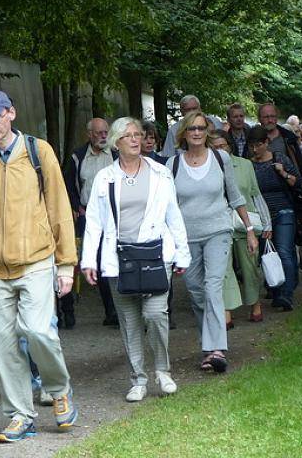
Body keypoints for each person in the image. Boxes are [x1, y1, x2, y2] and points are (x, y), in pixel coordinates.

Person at [0, 88, 79, 443]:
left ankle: (58, 390)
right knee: (4, 345)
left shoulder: (38, 152)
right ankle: (20, 415)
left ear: (11, 113)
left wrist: (66, 264)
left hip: (37, 261)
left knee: (38, 331)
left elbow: (59, 208)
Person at [81, 118, 190, 402]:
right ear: (116, 142)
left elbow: (173, 214)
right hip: (120, 258)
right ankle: (138, 379)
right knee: (129, 321)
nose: (134, 139)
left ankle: (162, 370)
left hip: (155, 254)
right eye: (127, 135)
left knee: (155, 314)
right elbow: (94, 221)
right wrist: (89, 260)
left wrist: (182, 252)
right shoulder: (105, 177)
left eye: (137, 135)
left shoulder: (160, 173)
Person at [167, 111, 258, 373]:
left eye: (201, 128)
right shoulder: (172, 164)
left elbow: (235, 195)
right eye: (192, 128)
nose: (197, 133)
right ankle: (208, 348)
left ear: (207, 131)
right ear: (184, 133)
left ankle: (217, 349)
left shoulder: (220, 158)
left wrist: (249, 229)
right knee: (196, 291)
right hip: (187, 237)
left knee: (213, 286)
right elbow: (167, 205)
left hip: (218, 231)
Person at [209, 130, 272, 324]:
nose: (220, 150)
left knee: (249, 267)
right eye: (215, 147)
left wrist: (267, 222)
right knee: (224, 269)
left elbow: (255, 193)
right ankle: (227, 310)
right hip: (219, 225)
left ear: (230, 145)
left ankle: (254, 303)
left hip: (245, 224)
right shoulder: (207, 167)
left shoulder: (245, 165)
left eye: (223, 146)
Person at [63, 117, 117, 327]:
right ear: (89, 134)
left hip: (116, 214)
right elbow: (68, 184)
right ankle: (111, 311)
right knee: (100, 261)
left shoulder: (116, 153)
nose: (103, 136)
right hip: (89, 216)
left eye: (106, 132)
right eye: (99, 133)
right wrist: (77, 207)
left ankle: (125, 309)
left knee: (119, 259)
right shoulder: (78, 156)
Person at [247, 125, 301, 311]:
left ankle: (287, 294)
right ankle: (276, 290)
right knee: (268, 254)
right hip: (261, 216)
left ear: (266, 143)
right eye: (252, 146)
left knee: (284, 251)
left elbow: (297, 181)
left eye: (259, 145)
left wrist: (283, 173)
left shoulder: (279, 158)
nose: (255, 150)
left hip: (283, 210)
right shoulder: (249, 165)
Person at [257, 102, 302, 268]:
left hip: (289, 192)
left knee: (289, 240)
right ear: (260, 119)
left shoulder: (287, 137)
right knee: (270, 244)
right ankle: (274, 277)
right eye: (266, 117)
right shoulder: (254, 139)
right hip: (263, 196)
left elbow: (299, 162)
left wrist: (298, 182)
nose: (270, 120)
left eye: (272, 116)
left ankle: (293, 268)